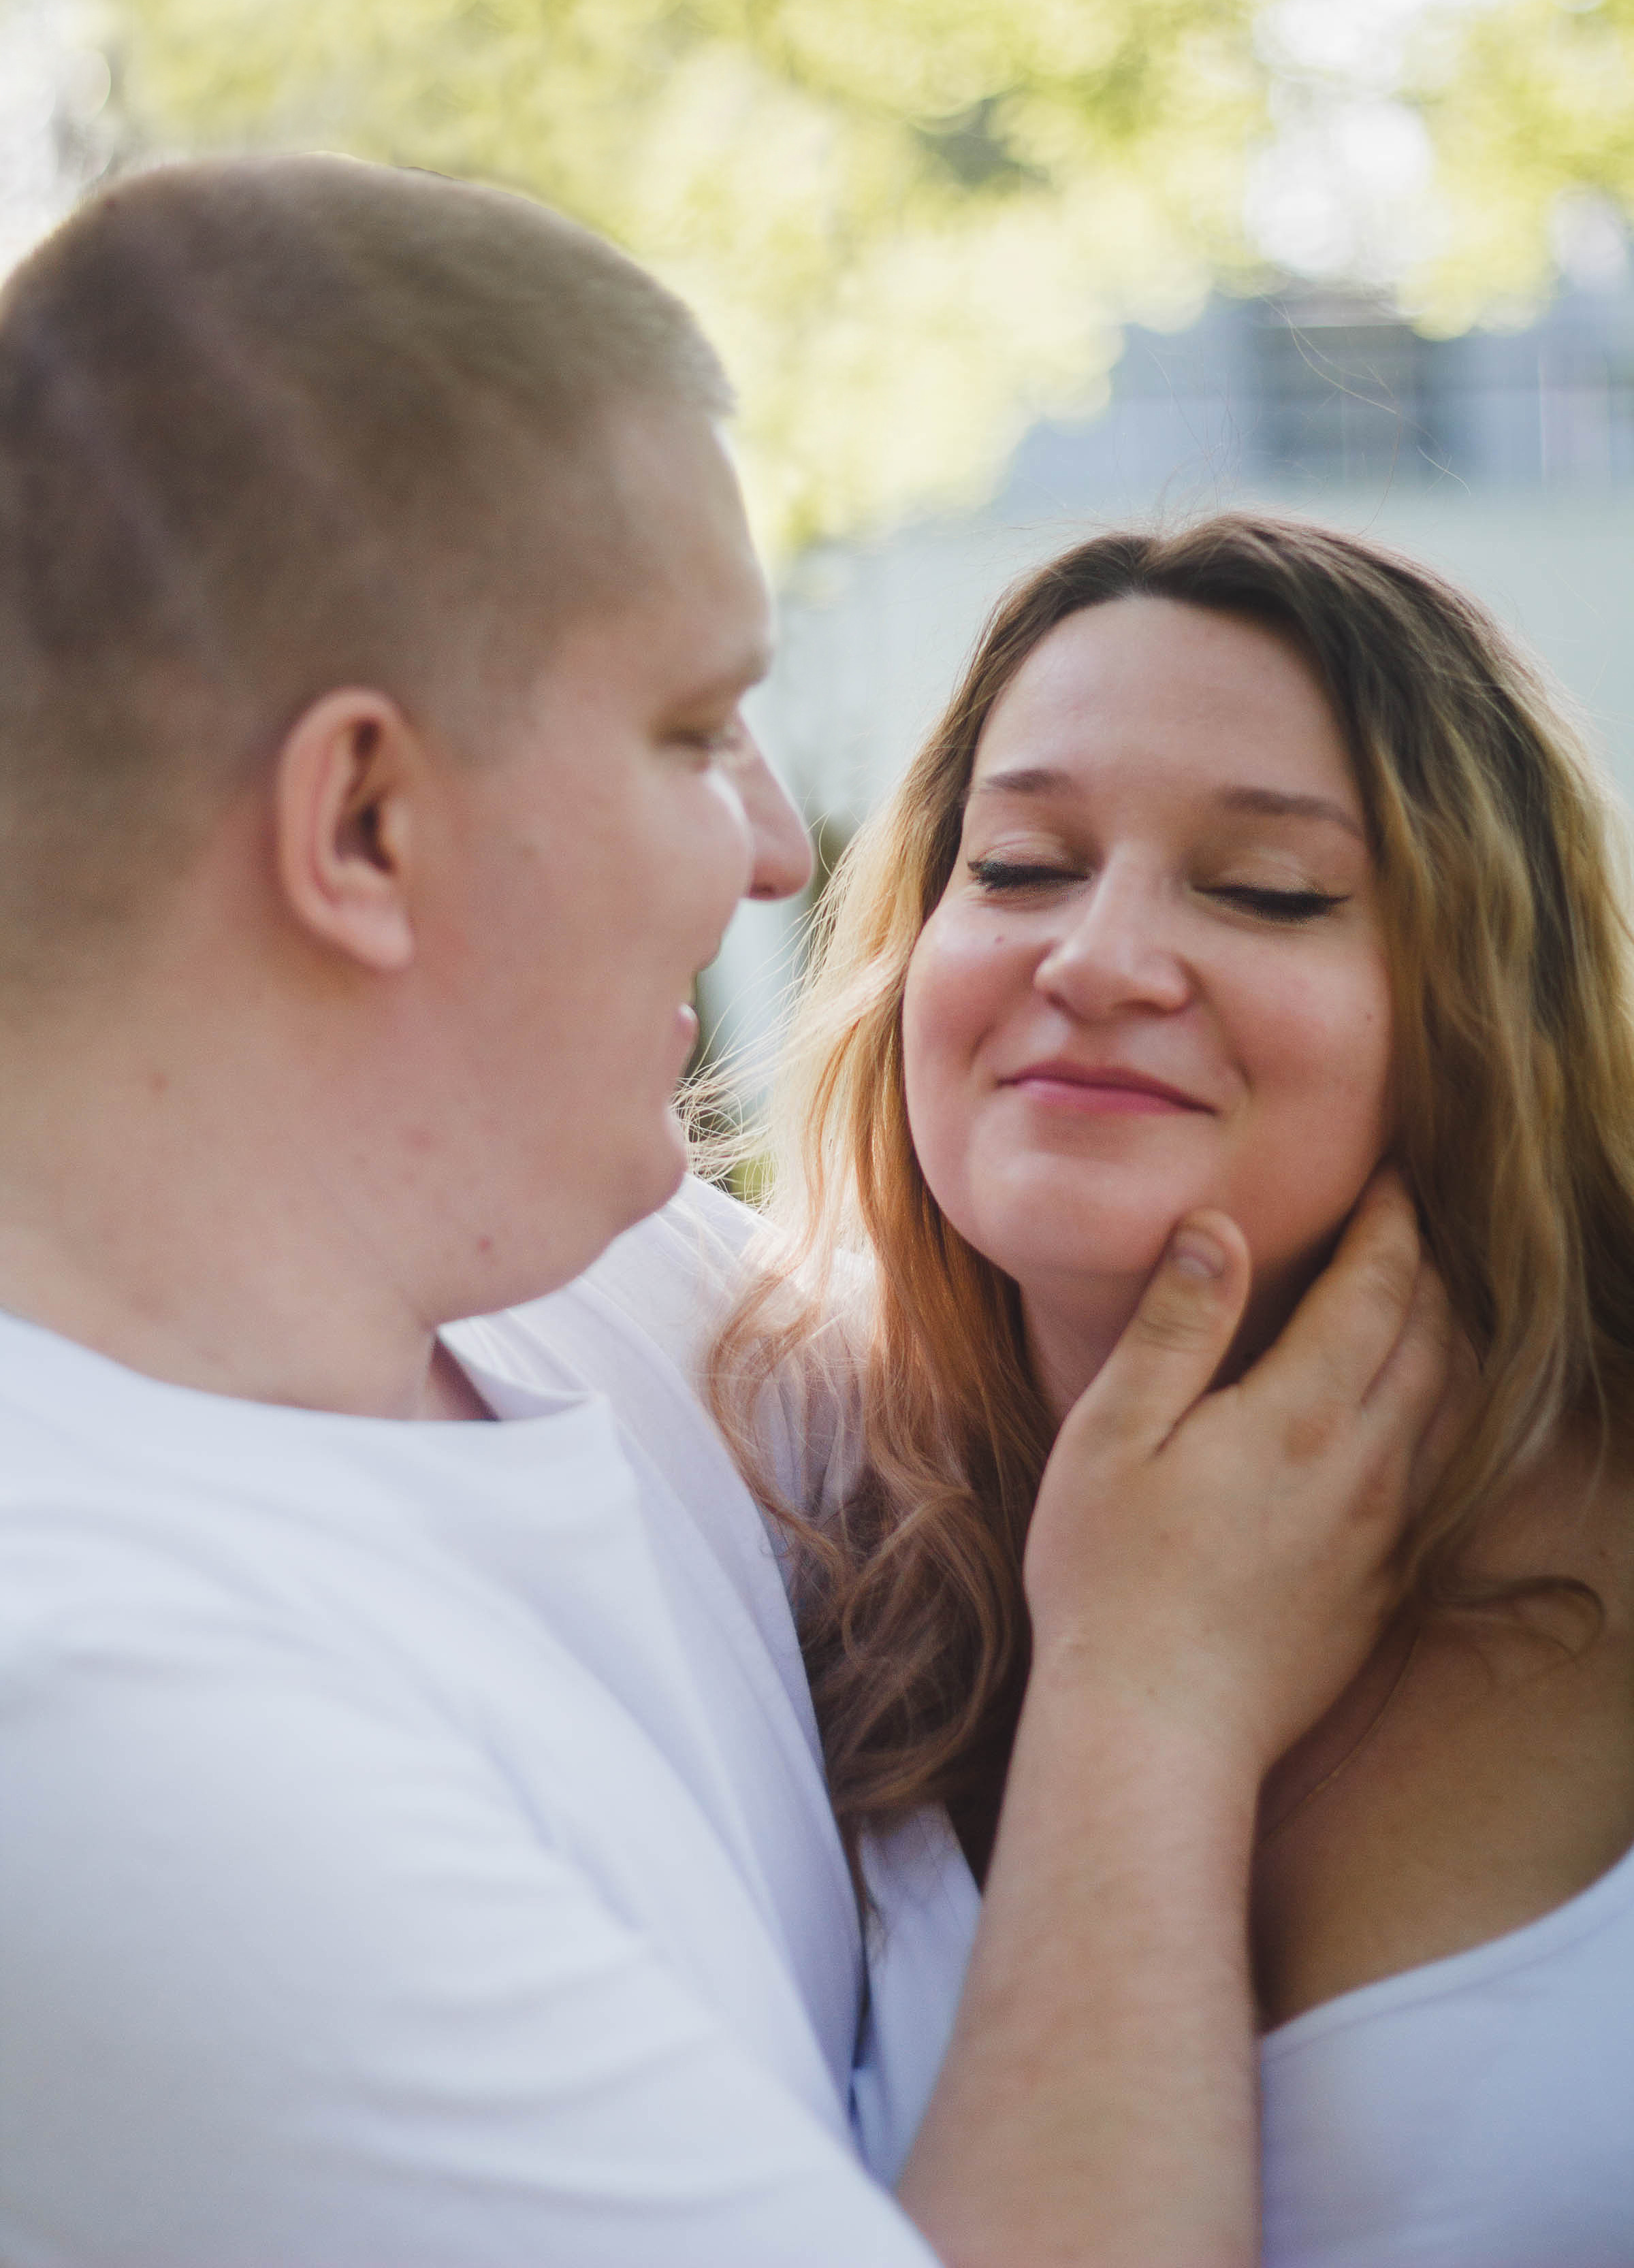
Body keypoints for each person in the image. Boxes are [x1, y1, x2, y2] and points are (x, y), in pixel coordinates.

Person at [0, 162, 1448, 2268]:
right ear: (366, 824)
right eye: (696, 730)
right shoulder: (112, 1745)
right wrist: (1152, 1709)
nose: (781, 852)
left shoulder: (597, 1296)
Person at [544, 512, 1630, 2267]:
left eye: (1268, 888)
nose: (1098, 960)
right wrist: (1146, 1681)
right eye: (1025, 867)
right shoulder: (789, 1492)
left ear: (1488, 1002)